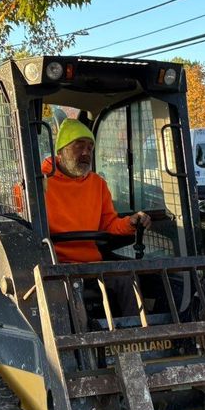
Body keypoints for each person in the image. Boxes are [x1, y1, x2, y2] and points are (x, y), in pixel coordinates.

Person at [44, 118, 152, 316]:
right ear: (60, 151)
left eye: (90, 147)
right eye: (79, 146)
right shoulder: (39, 183)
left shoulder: (97, 184)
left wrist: (130, 222)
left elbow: (109, 224)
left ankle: (140, 336)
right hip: (57, 266)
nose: (86, 153)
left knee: (127, 278)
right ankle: (80, 345)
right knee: (70, 294)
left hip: (92, 264)